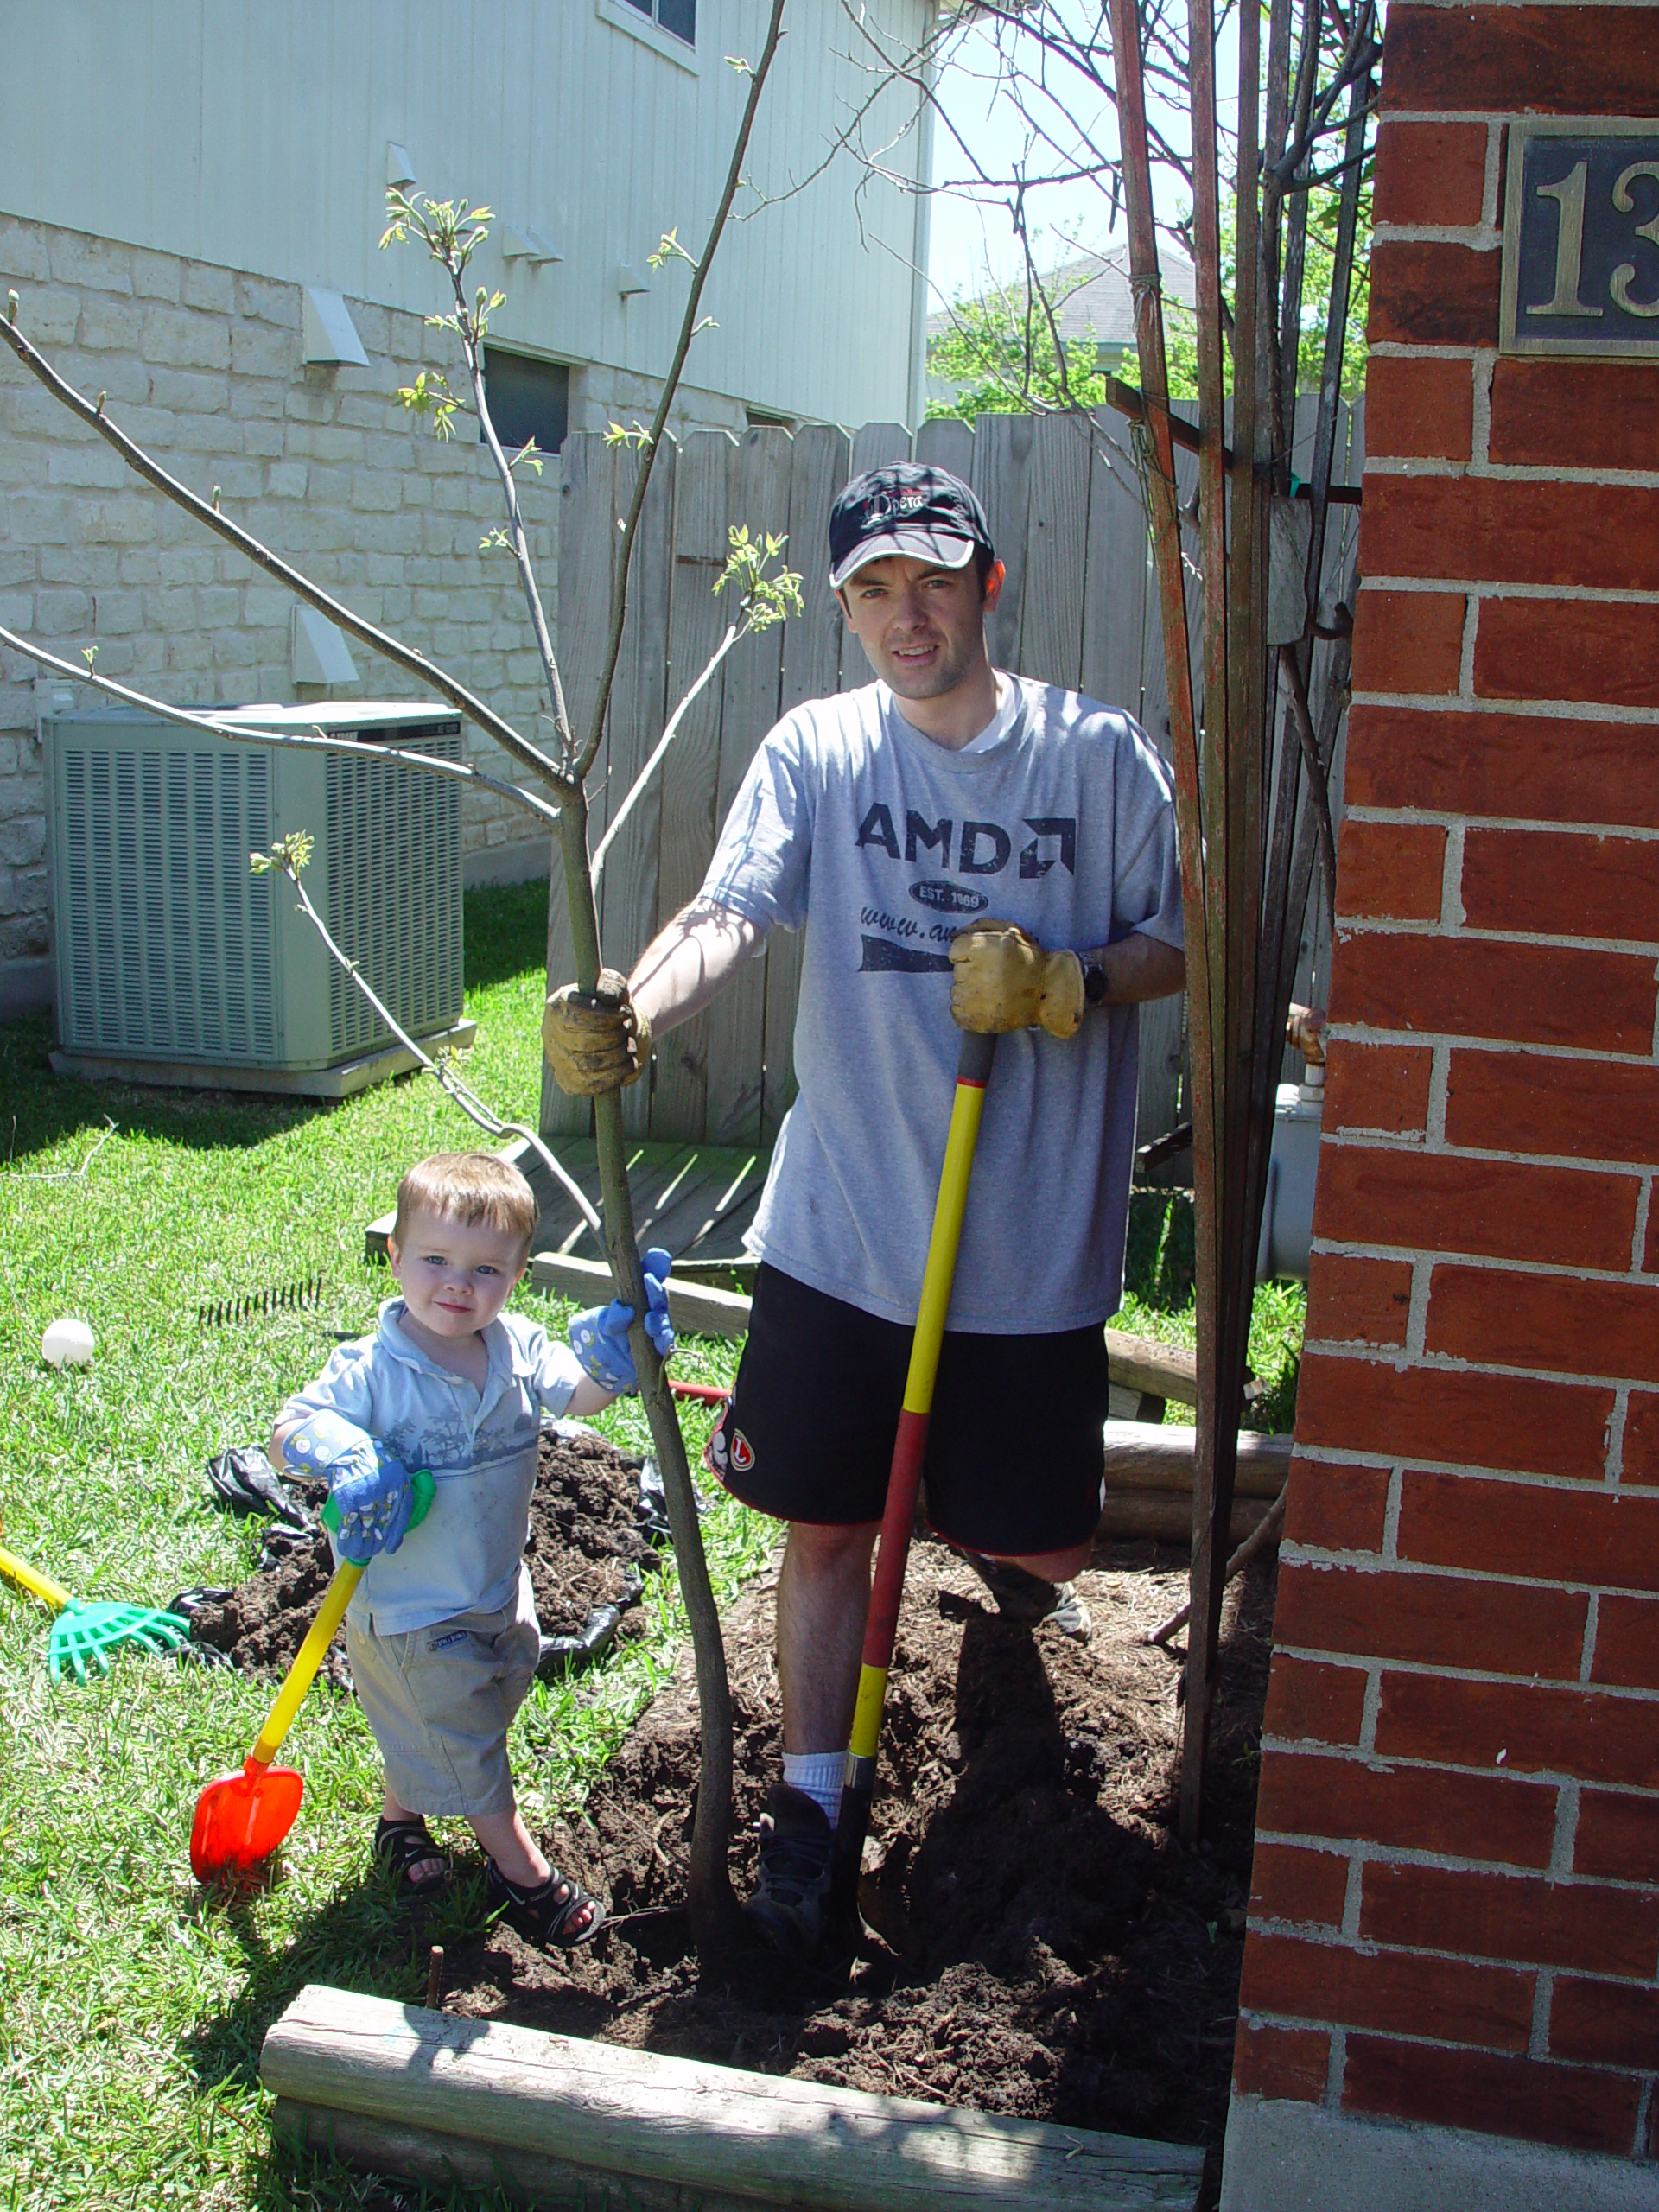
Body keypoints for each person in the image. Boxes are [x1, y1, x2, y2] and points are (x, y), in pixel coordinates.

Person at [543, 461, 1185, 1958]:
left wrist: (1072, 981)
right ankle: (815, 1806)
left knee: (1040, 1539)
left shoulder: (1097, 758)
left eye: (935, 582)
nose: (909, 616)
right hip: (840, 1231)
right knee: (827, 1530)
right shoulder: (819, 752)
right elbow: (733, 911)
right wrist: (633, 1004)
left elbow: (1182, 934)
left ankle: (1017, 1592)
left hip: (1025, 1243)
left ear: (990, 588)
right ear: (845, 608)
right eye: (875, 591)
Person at [270, 1149, 672, 1948]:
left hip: (493, 1588)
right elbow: (287, 1434)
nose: (458, 1284)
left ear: (519, 1274)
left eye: (486, 1268)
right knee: (469, 1746)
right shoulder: (373, 1370)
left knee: (477, 1706)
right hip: (411, 1613)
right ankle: (521, 1874)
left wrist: (615, 1358)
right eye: (434, 1260)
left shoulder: (516, 1347)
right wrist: (346, 1454)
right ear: (394, 1258)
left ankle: (399, 1821)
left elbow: (579, 1393)